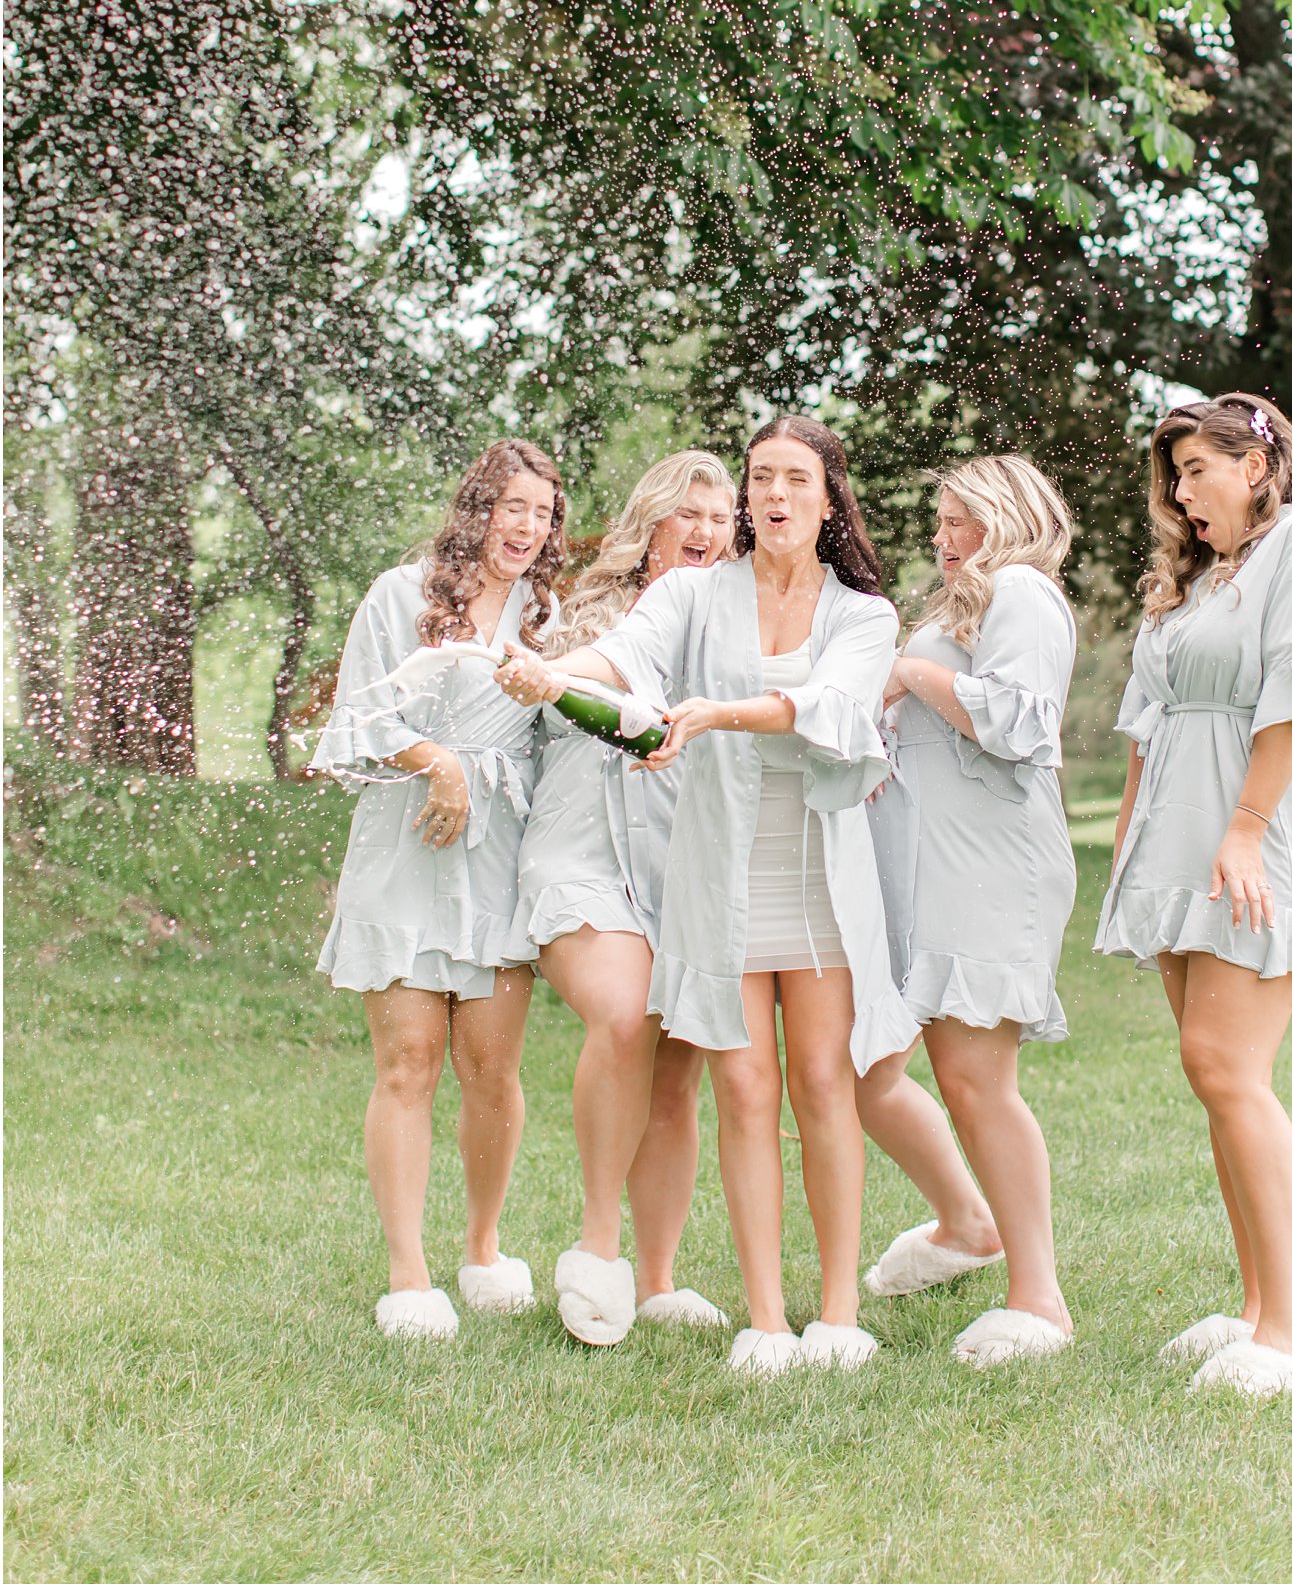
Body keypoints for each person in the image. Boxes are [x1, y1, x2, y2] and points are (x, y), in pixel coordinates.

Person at [500, 416, 919, 1374]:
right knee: (742, 1086)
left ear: (826, 498)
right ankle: (766, 1319)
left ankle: (839, 1313)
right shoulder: (694, 593)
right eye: (761, 478)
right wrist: (553, 674)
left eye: (795, 480)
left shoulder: (863, 614)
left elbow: (835, 711)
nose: (775, 495)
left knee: (822, 1085)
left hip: (816, 875)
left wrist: (721, 711)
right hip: (719, 873)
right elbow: (627, 657)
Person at [1094, 392, 1292, 1397]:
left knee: (1226, 1065)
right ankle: (1255, 1307)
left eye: (1194, 470)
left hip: (1257, 830)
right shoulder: (1205, 578)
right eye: (1170, 475)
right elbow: (1148, 717)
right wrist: (1131, 848)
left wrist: (1244, 834)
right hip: (1181, 839)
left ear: (1253, 466)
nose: (1177, 491)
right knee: (1207, 1072)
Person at [311, 437, 565, 1340]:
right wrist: (439, 761)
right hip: (407, 840)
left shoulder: (547, 613)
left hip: (499, 856)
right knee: (409, 1061)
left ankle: (485, 1248)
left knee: (490, 1067)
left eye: (542, 513)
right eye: (511, 508)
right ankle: (408, 1274)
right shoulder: (403, 593)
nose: (526, 527)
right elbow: (360, 713)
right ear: (476, 510)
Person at [506, 451, 738, 1347]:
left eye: (723, 519)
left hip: (680, 863)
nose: (709, 531)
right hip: (581, 855)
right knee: (624, 1012)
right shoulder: (583, 620)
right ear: (652, 522)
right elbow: (566, 696)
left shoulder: (729, 633)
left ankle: (658, 1276)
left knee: (677, 1075)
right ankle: (596, 1246)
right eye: (693, 513)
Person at [857, 455, 1078, 1367]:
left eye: (961, 523)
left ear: (1009, 517)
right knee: (878, 1071)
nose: (943, 540)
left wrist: (908, 668)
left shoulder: (1023, 591)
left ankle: (1041, 1298)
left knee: (980, 1081)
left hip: (995, 866)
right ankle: (965, 1221)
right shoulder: (966, 610)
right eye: (939, 523)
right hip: (934, 866)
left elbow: (1020, 724)